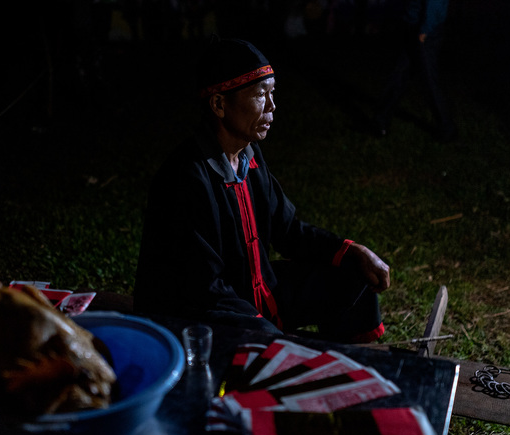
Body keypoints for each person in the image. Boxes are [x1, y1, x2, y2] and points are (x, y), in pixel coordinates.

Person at [134, 38, 390, 342]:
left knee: (353, 276)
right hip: (196, 311)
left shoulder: (248, 156)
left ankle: (348, 368)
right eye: (260, 95)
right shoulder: (186, 177)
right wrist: (260, 326)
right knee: (269, 342)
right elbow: (202, 288)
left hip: (256, 292)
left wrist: (351, 251)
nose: (272, 106)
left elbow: (289, 231)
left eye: (272, 93)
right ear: (219, 104)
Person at [373, 0, 457, 142]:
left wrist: (425, 30)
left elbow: (435, 3)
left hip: (424, 32)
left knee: (429, 81)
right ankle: (380, 121)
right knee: (399, 75)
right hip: (414, 27)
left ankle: (447, 128)